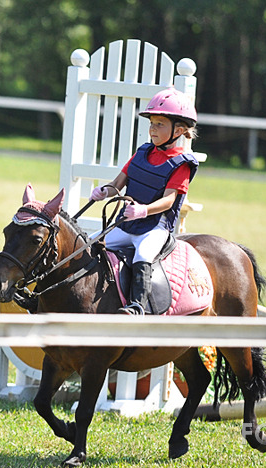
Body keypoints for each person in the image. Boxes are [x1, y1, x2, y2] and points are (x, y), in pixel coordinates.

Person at [90, 87, 199, 315]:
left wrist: (143, 210)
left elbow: (169, 201)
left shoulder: (182, 164)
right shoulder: (142, 152)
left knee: (144, 255)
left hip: (155, 228)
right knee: (91, 244)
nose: (153, 129)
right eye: (152, 123)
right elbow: (118, 183)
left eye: (160, 124)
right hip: (127, 223)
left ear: (178, 129)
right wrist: (103, 191)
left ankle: (137, 306)